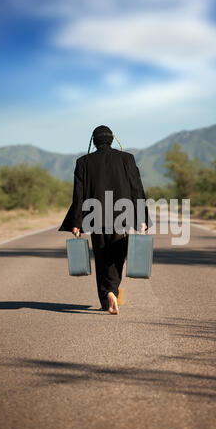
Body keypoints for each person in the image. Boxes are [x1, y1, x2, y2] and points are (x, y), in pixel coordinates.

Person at [58, 125, 150, 315]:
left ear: (94, 141)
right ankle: (112, 291)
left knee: (101, 257)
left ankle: (106, 295)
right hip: (122, 216)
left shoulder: (83, 161)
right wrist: (141, 217)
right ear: (112, 139)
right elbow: (136, 189)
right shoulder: (127, 159)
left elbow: (79, 195)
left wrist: (77, 221)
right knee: (117, 257)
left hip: (95, 217)